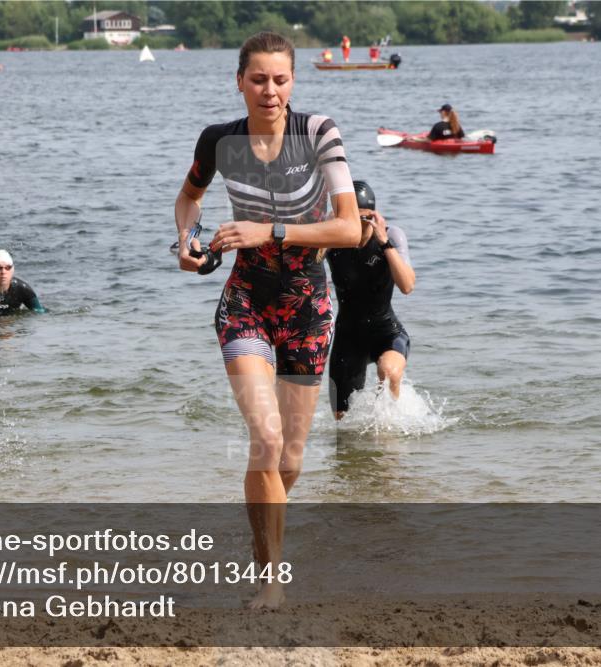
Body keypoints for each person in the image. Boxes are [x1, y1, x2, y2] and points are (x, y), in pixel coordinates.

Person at [175, 31, 360, 609]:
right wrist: (188, 240)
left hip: (308, 306)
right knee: (266, 439)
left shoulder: (318, 133)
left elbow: (350, 228)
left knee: (289, 459)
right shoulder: (220, 140)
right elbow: (188, 199)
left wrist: (271, 230)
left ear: (293, 81)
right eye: (258, 79)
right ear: (239, 82)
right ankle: (271, 579)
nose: (270, 90)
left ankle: (264, 536)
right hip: (246, 301)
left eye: (280, 79)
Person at [326, 181, 415, 419]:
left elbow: (407, 285)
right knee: (341, 421)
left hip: (385, 331)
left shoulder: (391, 235)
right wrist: (325, 231)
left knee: (390, 372)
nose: (360, 226)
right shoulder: (333, 239)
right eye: (353, 219)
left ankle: (389, 427)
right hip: (348, 338)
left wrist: (384, 242)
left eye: (366, 218)